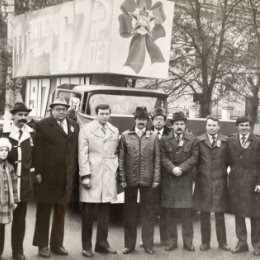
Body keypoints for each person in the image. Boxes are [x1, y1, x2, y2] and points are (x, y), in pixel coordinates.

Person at [33, 97, 79, 258]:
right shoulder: (43, 125)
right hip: (47, 176)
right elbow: (37, 151)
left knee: (61, 211)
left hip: (66, 176)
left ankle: (57, 244)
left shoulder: (74, 126)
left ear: (68, 110)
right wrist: (38, 172)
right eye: (58, 109)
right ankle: (42, 245)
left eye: (64, 109)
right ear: (51, 110)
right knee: (44, 211)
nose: (61, 111)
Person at [78, 104, 119, 257]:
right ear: (96, 114)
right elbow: (82, 154)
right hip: (92, 173)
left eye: (107, 114)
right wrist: (85, 176)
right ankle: (86, 246)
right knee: (88, 212)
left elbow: (116, 152)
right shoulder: (86, 130)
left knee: (105, 211)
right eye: (101, 113)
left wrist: (115, 167)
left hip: (108, 174)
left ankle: (102, 243)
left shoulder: (114, 130)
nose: (104, 116)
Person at [118, 106, 160, 255]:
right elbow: (121, 158)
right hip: (130, 179)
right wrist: (122, 177)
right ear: (134, 119)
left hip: (148, 180)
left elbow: (157, 159)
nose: (141, 122)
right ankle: (129, 245)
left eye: (144, 119)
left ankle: (148, 245)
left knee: (148, 213)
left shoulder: (153, 136)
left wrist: (156, 179)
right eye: (139, 119)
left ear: (147, 120)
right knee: (130, 213)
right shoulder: (125, 136)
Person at [160, 111, 198, 252]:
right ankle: (171, 241)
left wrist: (181, 168)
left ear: (185, 125)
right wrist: (172, 169)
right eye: (177, 124)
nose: (179, 126)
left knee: (186, 214)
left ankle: (188, 242)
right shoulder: (164, 140)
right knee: (170, 213)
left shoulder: (193, 140)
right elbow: (162, 157)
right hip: (170, 180)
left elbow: (194, 157)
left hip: (185, 181)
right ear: (172, 125)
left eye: (182, 124)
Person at [1, 102, 34, 260]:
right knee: (1, 219)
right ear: (13, 116)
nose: (23, 118)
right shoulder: (3, 133)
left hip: (24, 185)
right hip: (5, 184)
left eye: (25, 115)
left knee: (20, 221)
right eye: (20, 115)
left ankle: (18, 251)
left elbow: (35, 158)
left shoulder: (31, 133)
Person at [193, 116, 230, 251]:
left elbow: (230, 161)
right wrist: (197, 177)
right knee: (204, 213)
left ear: (219, 126)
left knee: (220, 214)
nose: (211, 128)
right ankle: (205, 243)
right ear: (206, 126)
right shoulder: (198, 141)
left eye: (214, 125)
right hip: (203, 182)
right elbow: (194, 161)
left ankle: (223, 242)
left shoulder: (226, 141)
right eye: (209, 125)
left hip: (220, 182)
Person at [227, 116, 260, 256]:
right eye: (241, 126)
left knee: (255, 215)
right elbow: (226, 160)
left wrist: (259, 182)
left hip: (253, 184)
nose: (244, 128)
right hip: (236, 183)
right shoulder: (231, 141)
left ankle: (257, 244)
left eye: (247, 125)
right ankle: (242, 243)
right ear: (237, 127)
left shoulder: (258, 141)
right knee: (238, 213)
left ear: (250, 126)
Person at [150, 107, 171, 246]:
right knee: (150, 207)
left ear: (165, 121)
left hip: (167, 177)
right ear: (152, 121)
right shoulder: (146, 133)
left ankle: (165, 238)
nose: (158, 122)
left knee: (165, 208)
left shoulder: (171, 134)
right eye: (156, 119)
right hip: (150, 177)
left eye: (161, 120)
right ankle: (148, 239)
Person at [0, 138, 19, 259]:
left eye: (6, 150)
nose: (3, 152)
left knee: (1, 228)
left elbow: (14, 184)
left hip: (4, 202)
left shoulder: (9, 167)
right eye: (1, 150)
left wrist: (15, 199)